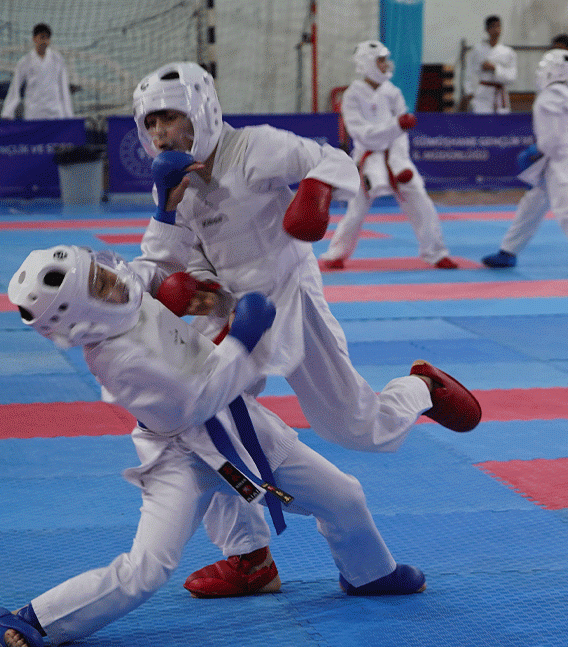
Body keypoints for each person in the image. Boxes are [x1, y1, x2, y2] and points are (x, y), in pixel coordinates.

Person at [129, 62, 481, 598]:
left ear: (202, 111)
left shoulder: (254, 147)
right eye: (151, 123)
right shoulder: (175, 186)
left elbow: (334, 158)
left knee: (355, 425)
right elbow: (164, 262)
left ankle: (421, 389)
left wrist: (314, 191)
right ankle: (249, 558)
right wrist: (180, 263)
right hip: (233, 313)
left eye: (170, 118)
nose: (160, 133)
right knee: (199, 417)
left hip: (291, 295)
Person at [0, 245, 428, 647]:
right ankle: (31, 619)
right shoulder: (117, 359)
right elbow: (201, 398)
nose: (114, 279)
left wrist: (174, 238)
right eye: (100, 284)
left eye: (102, 270)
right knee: (148, 569)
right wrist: (242, 337)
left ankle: (370, 573)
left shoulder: (123, 298)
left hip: (238, 427)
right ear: (84, 317)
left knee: (344, 496)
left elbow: (147, 270)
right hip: (180, 457)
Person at [318, 41, 456, 271]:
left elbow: (402, 135)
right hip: (366, 159)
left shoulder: (393, 92)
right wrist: (396, 125)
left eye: (385, 60)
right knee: (356, 211)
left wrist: (400, 165)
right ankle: (336, 253)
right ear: (367, 64)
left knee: (422, 202)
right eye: (380, 60)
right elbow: (362, 135)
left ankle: (436, 252)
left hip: (395, 156)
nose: (385, 65)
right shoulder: (352, 95)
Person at [481, 49, 568, 277]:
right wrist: (566, 132)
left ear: (553, 70)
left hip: (557, 160)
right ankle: (508, 251)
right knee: (531, 206)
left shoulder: (550, 97)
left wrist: (534, 151)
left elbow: (552, 140)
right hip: (556, 158)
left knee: (567, 209)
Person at [0, 23, 74, 120]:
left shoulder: (57, 59)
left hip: (55, 112)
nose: (45, 41)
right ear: (34, 39)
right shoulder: (25, 61)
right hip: (34, 112)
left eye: (47, 38)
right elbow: (15, 87)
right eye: (42, 37)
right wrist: (7, 113)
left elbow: (64, 88)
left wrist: (68, 115)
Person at [463, 15, 517, 114]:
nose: (496, 30)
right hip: (482, 93)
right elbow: (469, 72)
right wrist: (469, 92)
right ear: (487, 29)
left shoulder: (508, 52)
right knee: (482, 120)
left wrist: (495, 68)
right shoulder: (477, 50)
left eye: (499, 26)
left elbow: (512, 77)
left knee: (501, 121)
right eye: (493, 26)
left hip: (500, 94)